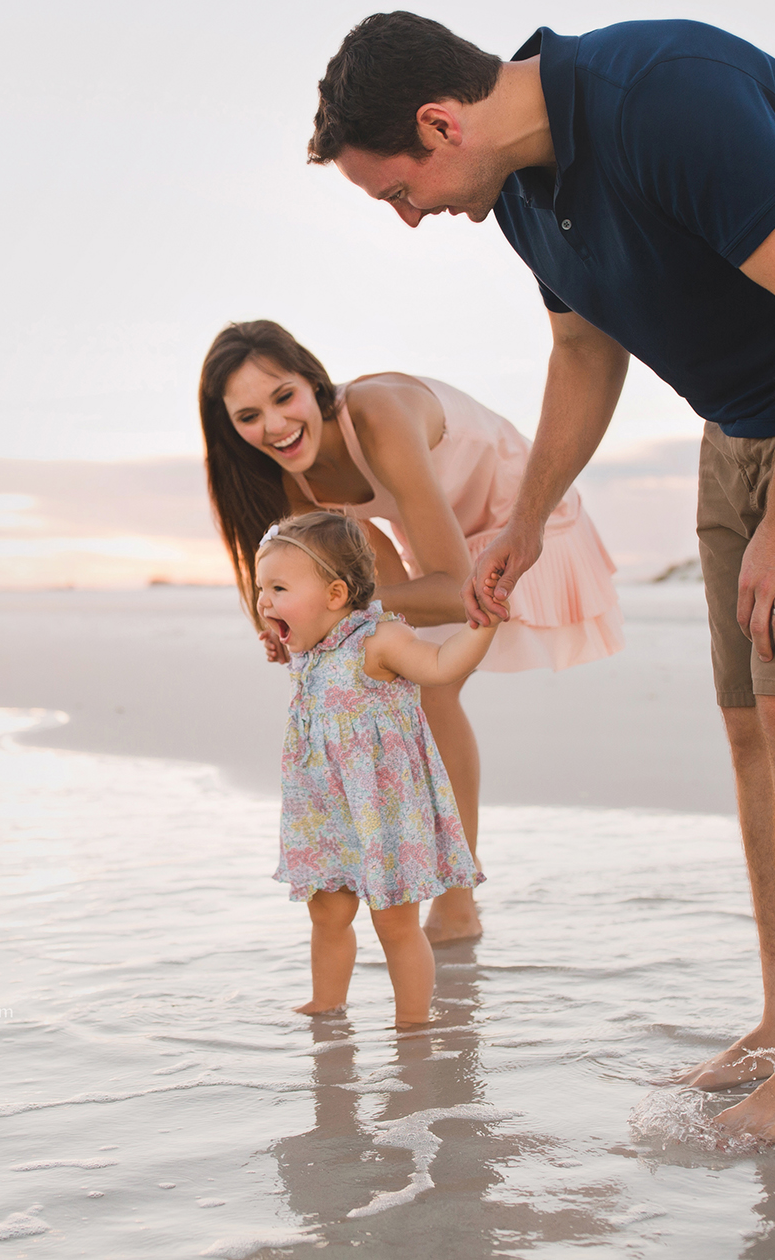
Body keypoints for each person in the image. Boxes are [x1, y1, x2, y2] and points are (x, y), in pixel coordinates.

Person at [308, 13, 775, 1144]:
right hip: (741, 420)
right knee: (747, 726)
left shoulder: (662, 94)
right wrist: (521, 523)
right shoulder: (521, 194)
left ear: (440, 124)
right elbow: (584, 352)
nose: (410, 215)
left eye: (396, 190)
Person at [199, 319, 626, 944]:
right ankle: (418, 881)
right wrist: (290, 624)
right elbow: (342, 585)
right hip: (436, 534)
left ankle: (457, 900)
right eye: (248, 416)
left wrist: (338, 617)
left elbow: (452, 586)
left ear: (313, 384)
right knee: (398, 679)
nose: (274, 427)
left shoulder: (378, 415)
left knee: (432, 688)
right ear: (229, 427)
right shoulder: (292, 478)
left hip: (521, 520)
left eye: (283, 397)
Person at [256, 512, 494, 1026]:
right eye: (262, 589)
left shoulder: (378, 640)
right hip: (325, 809)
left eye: (277, 588)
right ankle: (327, 1002)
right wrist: (283, 641)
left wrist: (482, 627)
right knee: (327, 913)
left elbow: (442, 665)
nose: (264, 601)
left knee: (394, 923)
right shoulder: (312, 647)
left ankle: (413, 1022)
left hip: (381, 808)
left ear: (336, 594)